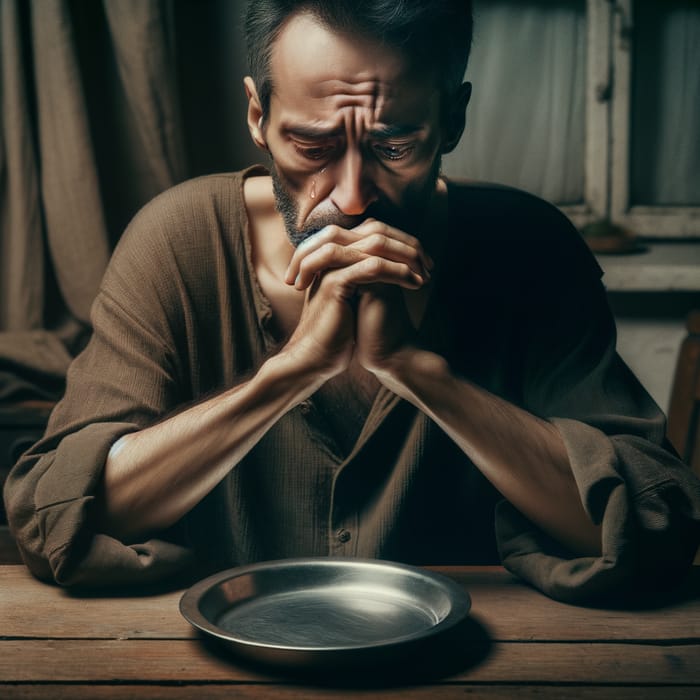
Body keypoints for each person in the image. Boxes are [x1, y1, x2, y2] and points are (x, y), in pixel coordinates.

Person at [4, 0, 700, 601]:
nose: (353, 195)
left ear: (452, 119)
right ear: (258, 115)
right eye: (311, 144)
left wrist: (417, 370)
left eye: (395, 144)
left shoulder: (530, 247)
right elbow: (58, 515)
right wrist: (291, 371)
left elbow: (653, 522)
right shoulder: (176, 241)